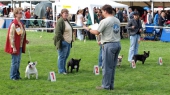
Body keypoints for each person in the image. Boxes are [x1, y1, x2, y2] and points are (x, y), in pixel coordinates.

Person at [83, 4, 121, 90]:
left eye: (102, 11)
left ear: (105, 11)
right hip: (117, 43)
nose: (102, 13)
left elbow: (97, 32)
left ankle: (105, 86)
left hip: (109, 45)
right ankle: (111, 85)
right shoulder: (117, 20)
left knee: (106, 67)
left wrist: (87, 28)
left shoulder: (105, 21)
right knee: (112, 67)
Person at [4, 7, 29, 80]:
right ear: (16, 14)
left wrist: (25, 40)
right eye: (20, 13)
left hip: (20, 45)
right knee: (14, 62)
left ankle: (17, 75)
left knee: (18, 61)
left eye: (22, 12)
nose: (22, 14)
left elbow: (20, 34)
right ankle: (13, 76)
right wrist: (13, 47)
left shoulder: (20, 23)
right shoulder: (13, 24)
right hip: (15, 45)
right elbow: (11, 36)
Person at [53, 9, 73, 74]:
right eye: (65, 13)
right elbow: (58, 32)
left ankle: (63, 69)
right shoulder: (60, 21)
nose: (66, 14)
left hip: (69, 42)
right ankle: (61, 71)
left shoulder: (67, 21)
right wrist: (63, 39)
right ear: (62, 14)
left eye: (67, 13)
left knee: (65, 57)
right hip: (63, 42)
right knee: (62, 56)